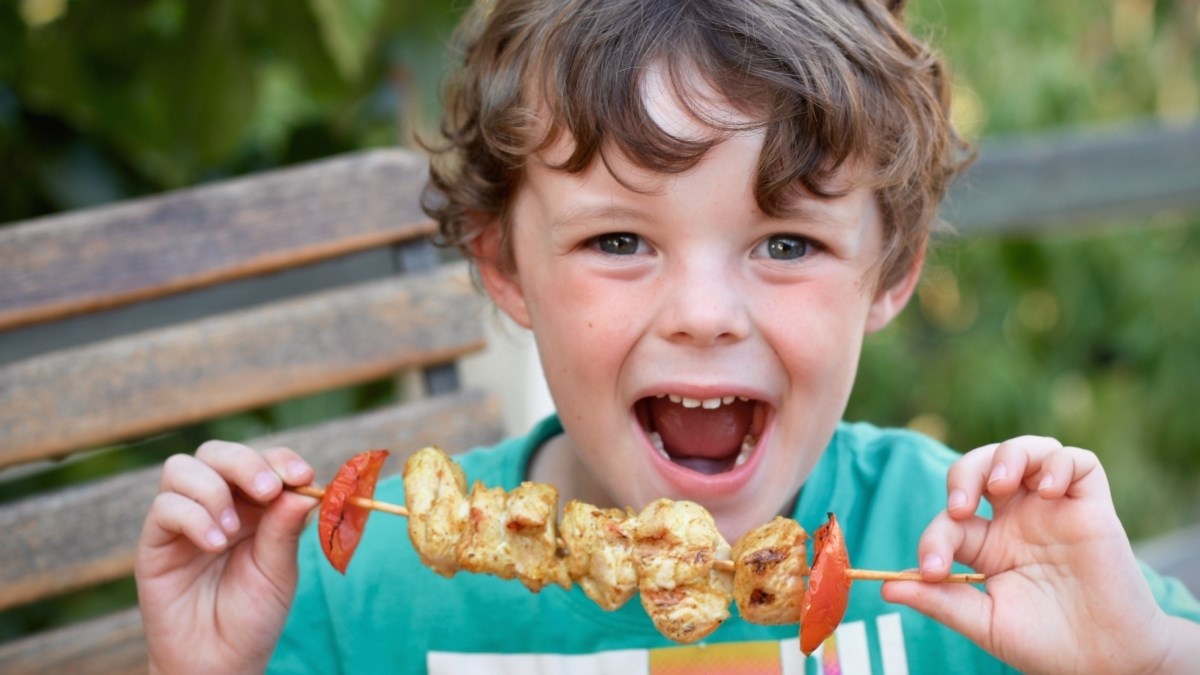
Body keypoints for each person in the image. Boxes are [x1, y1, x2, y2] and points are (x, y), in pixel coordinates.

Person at [135, 0, 1200, 672]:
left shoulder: (963, 562)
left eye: (785, 244)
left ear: (891, 269)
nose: (703, 311)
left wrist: (1147, 659)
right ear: (504, 265)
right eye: (618, 239)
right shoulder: (358, 592)